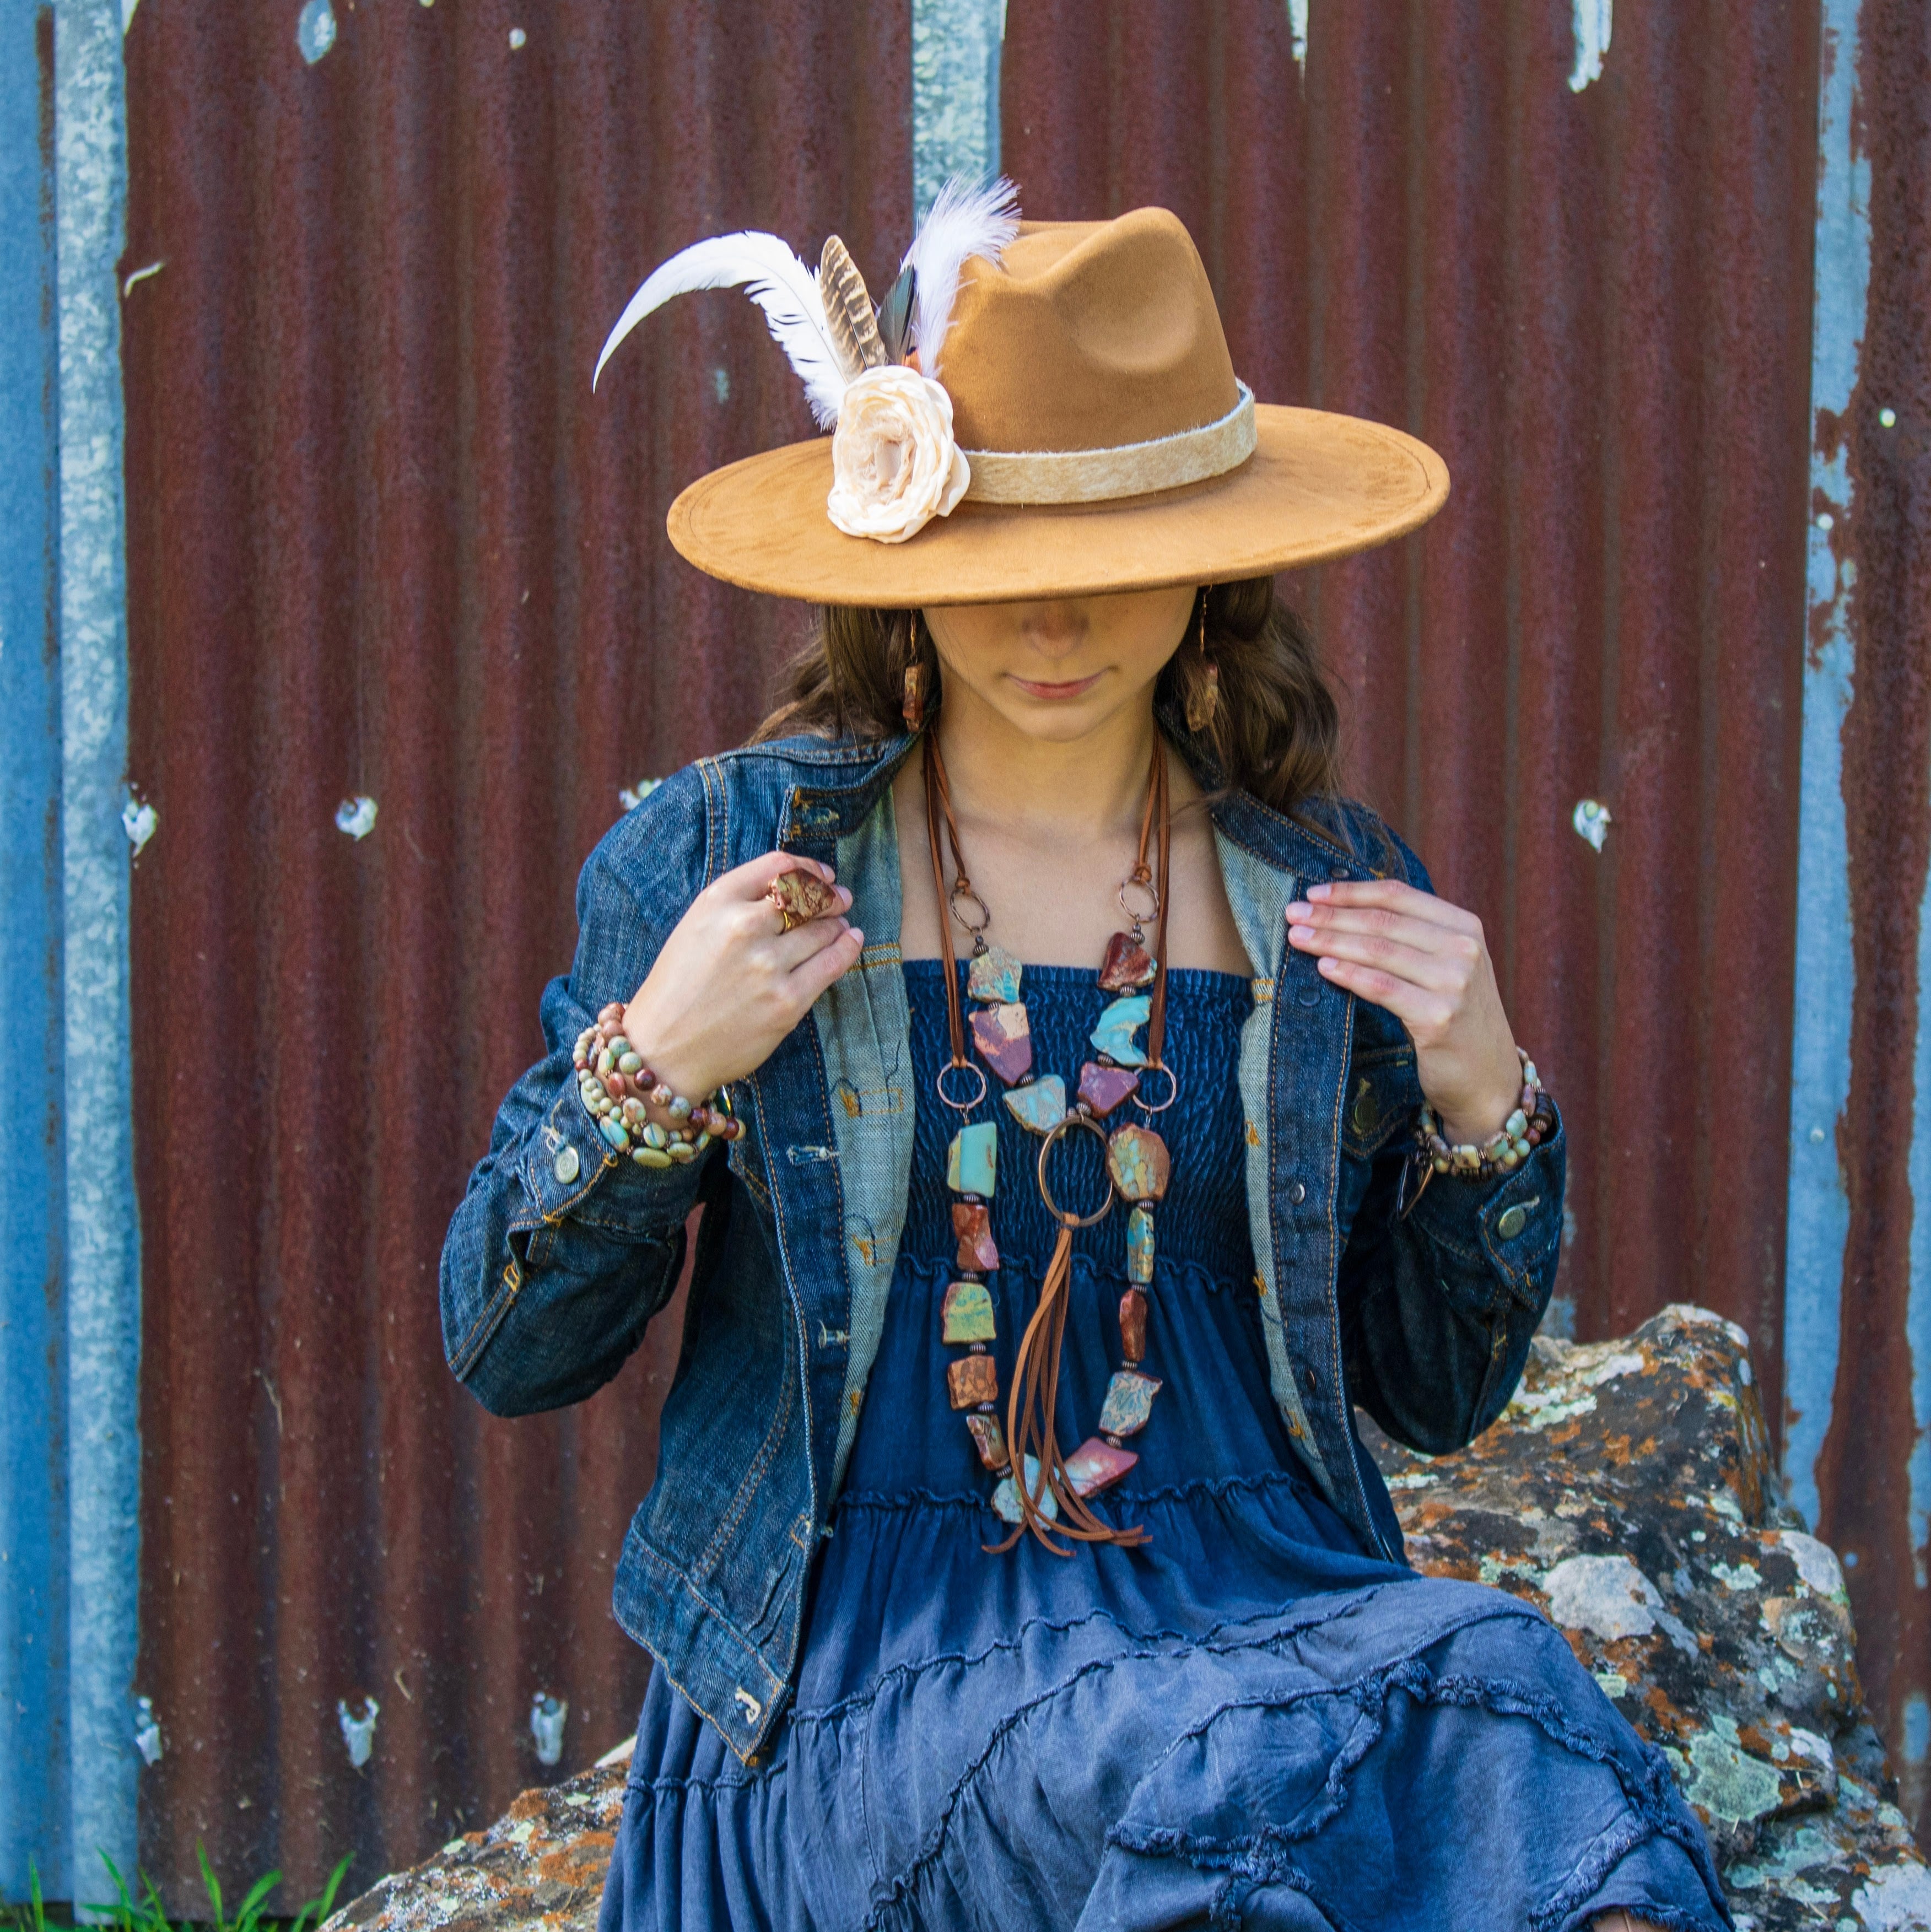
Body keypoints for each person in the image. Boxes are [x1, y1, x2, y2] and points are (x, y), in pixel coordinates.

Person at [440, 185, 1730, 1931]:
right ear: (906, 560)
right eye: (1005, 572)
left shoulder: (1324, 892)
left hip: (1265, 1594)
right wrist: (651, 1074)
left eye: (1106, 570)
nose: (1054, 630)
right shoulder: (725, 865)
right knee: (1179, 1762)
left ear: (1211, 559)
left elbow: (1430, 1391)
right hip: (874, 1662)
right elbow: (508, 1343)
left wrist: (1485, 1102)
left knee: (1516, 1703)